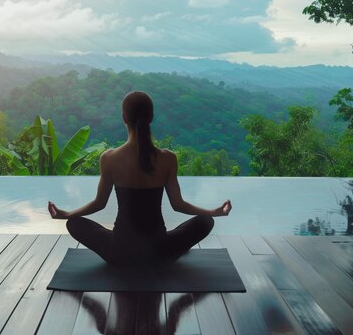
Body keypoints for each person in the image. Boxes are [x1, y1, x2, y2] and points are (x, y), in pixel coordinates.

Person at [48, 91, 232, 266]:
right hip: (160, 252)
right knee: (206, 221)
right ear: (151, 117)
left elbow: (99, 204)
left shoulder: (109, 158)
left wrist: (67, 214)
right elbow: (178, 205)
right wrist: (214, 212)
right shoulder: (168, 158)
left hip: (119, 252)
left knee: (74, 223)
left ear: (124, 118)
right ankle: (171, 250)